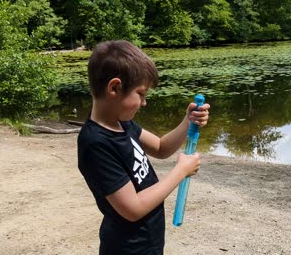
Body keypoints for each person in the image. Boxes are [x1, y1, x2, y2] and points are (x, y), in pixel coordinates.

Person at [77, 40, 210, 254]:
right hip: (127, 248)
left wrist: (188, 121)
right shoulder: (95, 144)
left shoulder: (122, 123)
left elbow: (160, 147)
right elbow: (133, 208)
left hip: (147, 242)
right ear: (115, 88)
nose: (144, 102)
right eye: (140, 94)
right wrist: (180, 172)